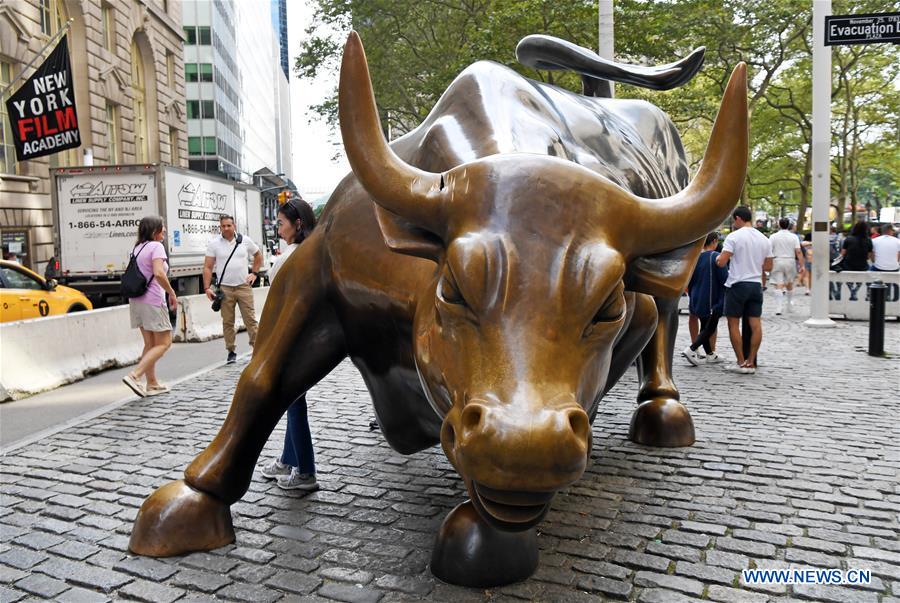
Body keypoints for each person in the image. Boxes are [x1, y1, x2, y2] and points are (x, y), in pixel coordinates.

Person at [259, 198, 320, 491]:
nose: (278, 228)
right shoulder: (311, 252)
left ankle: (306, 471)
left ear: (297, 224)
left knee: (294, 404)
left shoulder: (291, 257)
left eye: (281, 223)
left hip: (292, 340)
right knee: (293, 400)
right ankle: (288, 459)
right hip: (306, 339)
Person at [122, 216, 178, 397]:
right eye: (163, 227)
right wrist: (171, 292)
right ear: (155, 231)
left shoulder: (137, 248)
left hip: (136, 300)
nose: (165, 230)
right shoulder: (156, 246)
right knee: (165, 343)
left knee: (150, 344)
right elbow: (159, 273)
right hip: (153, 301)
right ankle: (135, 375)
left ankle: (152, 383)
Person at [716, 206, 773, 374]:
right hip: (756, 285)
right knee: (756, 324)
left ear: (738, 218)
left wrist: (718, 258)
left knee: (733, 323)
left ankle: (740, 362)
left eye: (734, 220)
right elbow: (768, 266)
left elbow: (721, 262)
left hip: (737, 284)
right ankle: (751, 362)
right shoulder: (764, 239)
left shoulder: (733, 237)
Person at [203, 215, 264, 363]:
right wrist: (206, 288)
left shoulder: (245, 240)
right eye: (223, 226)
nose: (226, 228)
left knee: (250, 320)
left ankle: (256, 349)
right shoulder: (214, 244)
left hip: (243, 287)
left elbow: (258, 255)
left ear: (234, 226)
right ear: (220, 227)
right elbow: (208, 267)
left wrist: (254, 273)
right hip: (225, 289)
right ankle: (231, 351)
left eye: (228, 225)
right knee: (228, 322)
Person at [682, 232, 728, 366]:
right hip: (712, 297)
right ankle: (691, 349)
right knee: (710, 326)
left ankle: (710, 354)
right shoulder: (715, 256)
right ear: (714, 241)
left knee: (704, 325)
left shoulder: (695, 257)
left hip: (696, 295)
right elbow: (724, 278)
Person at [768, 218, 805, 315]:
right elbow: (798, 251)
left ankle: (778, 307)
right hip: (790, 260)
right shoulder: (794, 237)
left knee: (778, 283)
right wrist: (802, 265)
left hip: (777, 260)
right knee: (789, 283)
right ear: (789, 225)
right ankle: (789, 305)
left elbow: (769, 250)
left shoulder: (773, 236)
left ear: (779, 225)